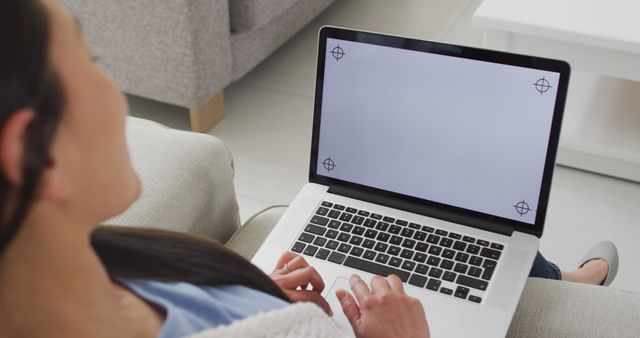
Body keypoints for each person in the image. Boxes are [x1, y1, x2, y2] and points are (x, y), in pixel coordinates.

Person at [0, 1, 616, 337]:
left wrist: (248, 290)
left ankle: (560, 274)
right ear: (38, 153)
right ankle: (571, 281)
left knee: (475, 224)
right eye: (92, 61)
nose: (115, 91)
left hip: (290, 289)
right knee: (481, 223)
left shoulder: (100, 266)